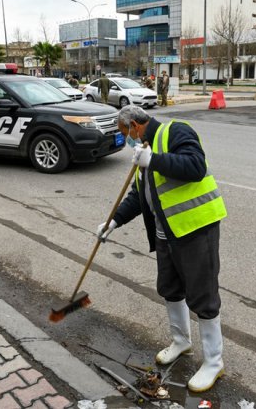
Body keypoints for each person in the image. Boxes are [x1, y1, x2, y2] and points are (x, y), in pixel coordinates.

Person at [97, 105, 228, 393]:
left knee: (203, 296)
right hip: (166, 234)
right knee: (170, 288)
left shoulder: (175, 131)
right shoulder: (142, 151)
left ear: (134, 124)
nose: (126, 139)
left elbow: (195, 166)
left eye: (125, 133)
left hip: (195, 229)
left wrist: (153, 159)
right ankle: (181, 341)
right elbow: (139, 195)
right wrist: (114, 222)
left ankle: (214, 362)